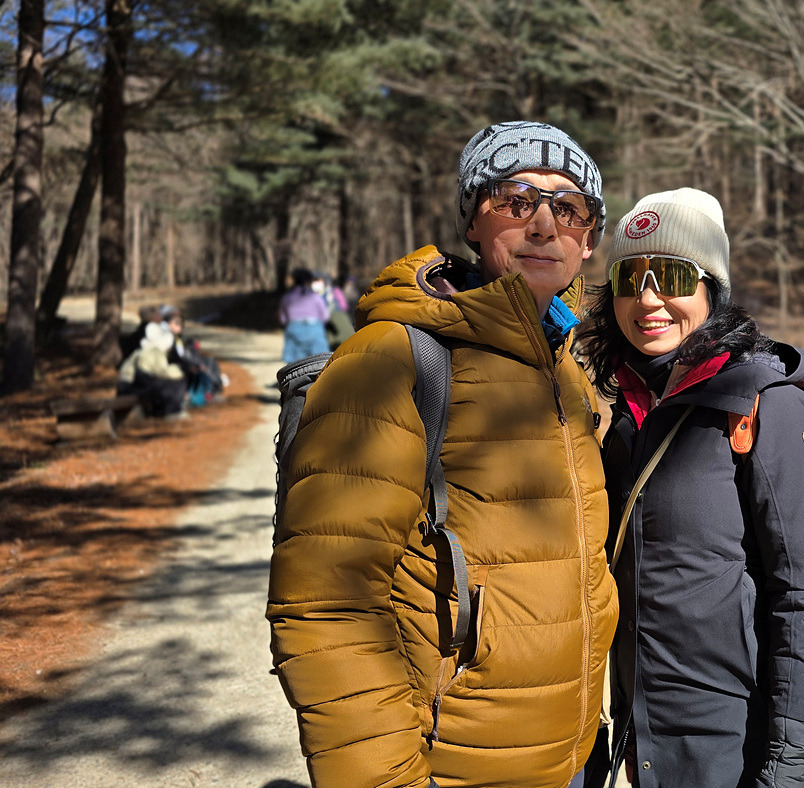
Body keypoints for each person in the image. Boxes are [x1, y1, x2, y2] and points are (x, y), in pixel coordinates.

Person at [267, 120, 618, 788]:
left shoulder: (566, 369)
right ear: (472, 220)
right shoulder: (395, 358)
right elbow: (327, 602)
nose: (545, 225)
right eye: (516, 200)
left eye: (570, 208)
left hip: (568, 760)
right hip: (453, 766)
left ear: (589, 238)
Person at [576, 188, 804, 788]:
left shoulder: (765, 404)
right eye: (629, 277)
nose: (648, 299)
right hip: (646, 737)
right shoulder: (630, 413)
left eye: (671, 276)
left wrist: (786, 767)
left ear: (711, 288)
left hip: (731, 749)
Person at [117, 320, 188, 418]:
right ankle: (171, 411)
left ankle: (161, 410)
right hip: (129, 387)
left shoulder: (144, 350)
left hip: (126, 386)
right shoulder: (154, 352)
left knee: (161, 384)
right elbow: (163, 372)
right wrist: (181, 371)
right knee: (174, 384)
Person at [162, 305, 227, 406]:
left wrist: (192, 345)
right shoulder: (167, 337)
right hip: (176, 365)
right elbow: (177, 357)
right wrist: (195, 364)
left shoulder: (178, 338)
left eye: (181, 323)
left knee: (209, 360)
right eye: (176, 323)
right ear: (167, 324)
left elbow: (183, 352)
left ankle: (215, 387)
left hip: (184, 362)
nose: (180, 326)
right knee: (202, 366)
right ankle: (209, 390)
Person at [277, 267, 330, 363]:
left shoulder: (287, 297)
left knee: (295, 366)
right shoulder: (315, 297)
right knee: (319, 364)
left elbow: (283, 319)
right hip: (315, 331)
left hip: (294, 331)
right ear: (309, 281)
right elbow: (325, 316)